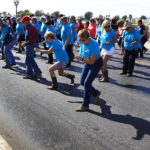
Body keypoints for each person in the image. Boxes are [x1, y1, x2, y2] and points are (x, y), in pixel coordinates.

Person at [74, 29, 103, 111]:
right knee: (82, 82)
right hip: (86, 61)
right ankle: (96, 93)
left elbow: (91, 61)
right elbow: (79, 43)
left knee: (87, 83)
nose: (81, 42)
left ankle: (85, 105)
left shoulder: (94, 44)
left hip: (95, 63)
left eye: (83, 40)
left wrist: (81, 58)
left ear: (88, 38)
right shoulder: (81, 41)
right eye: (80, 40)